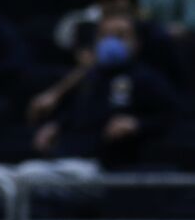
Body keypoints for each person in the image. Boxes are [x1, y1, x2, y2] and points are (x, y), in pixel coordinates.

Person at [33, 10, 179, 169]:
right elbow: (78, 112)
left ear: (137, 42)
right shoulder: (90, 77)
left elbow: (172, 116)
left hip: (106, 166)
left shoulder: (146, 78)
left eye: (120, 36)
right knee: (12, 175)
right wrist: (57, 126)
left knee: (27, 177)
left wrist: (138, 124)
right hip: (67, 158)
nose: (111, 42)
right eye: (104, 36)